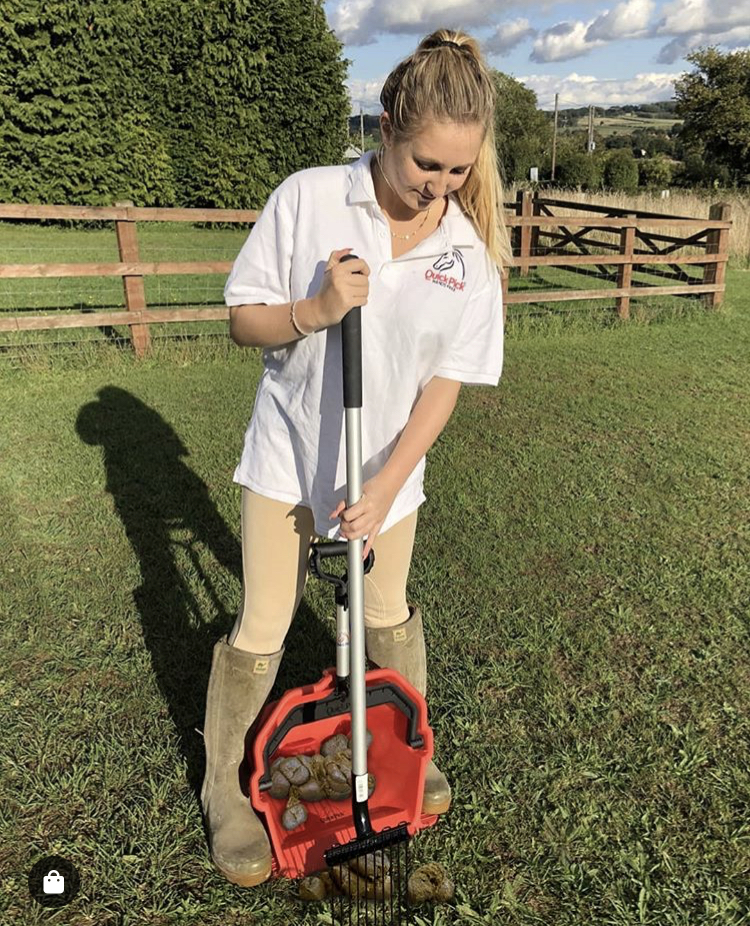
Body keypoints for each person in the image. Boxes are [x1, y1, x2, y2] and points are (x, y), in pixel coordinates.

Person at [200, 27, 512, 887]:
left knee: (387, 613)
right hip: (290, 460)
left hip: (386, 480)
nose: (441, 187)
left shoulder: (468, 256)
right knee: (265, 624)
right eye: (426, 166)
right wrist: (314, 308)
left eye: (458, 170)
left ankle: (407, 751)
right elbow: (243, 320)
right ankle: (225, 791)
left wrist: (384, 483)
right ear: (385, 128)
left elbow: (445, 383)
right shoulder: (308, 199)